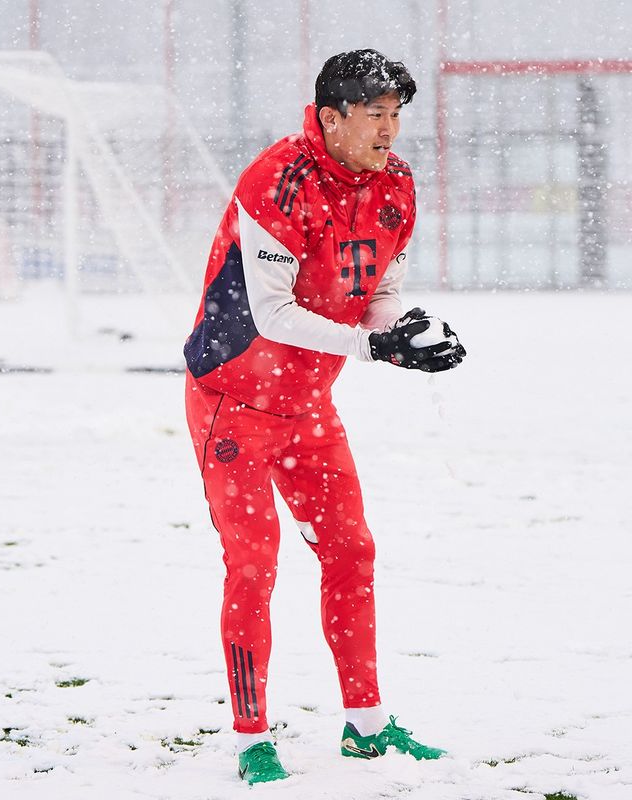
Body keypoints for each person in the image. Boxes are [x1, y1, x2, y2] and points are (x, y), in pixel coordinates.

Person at [184, 48, 466, 785]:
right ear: (331, 116)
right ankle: (251, 739)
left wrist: (405, 333)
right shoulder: (276, 180)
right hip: (233, 402)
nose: (390, 131)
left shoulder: (396, 184)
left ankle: (366, 725)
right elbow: (273, 315)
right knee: (253, 566)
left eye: (397, 115)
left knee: (352, 551)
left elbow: (381, 292)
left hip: (308, 404)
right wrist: (375, 347)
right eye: (375, 115)